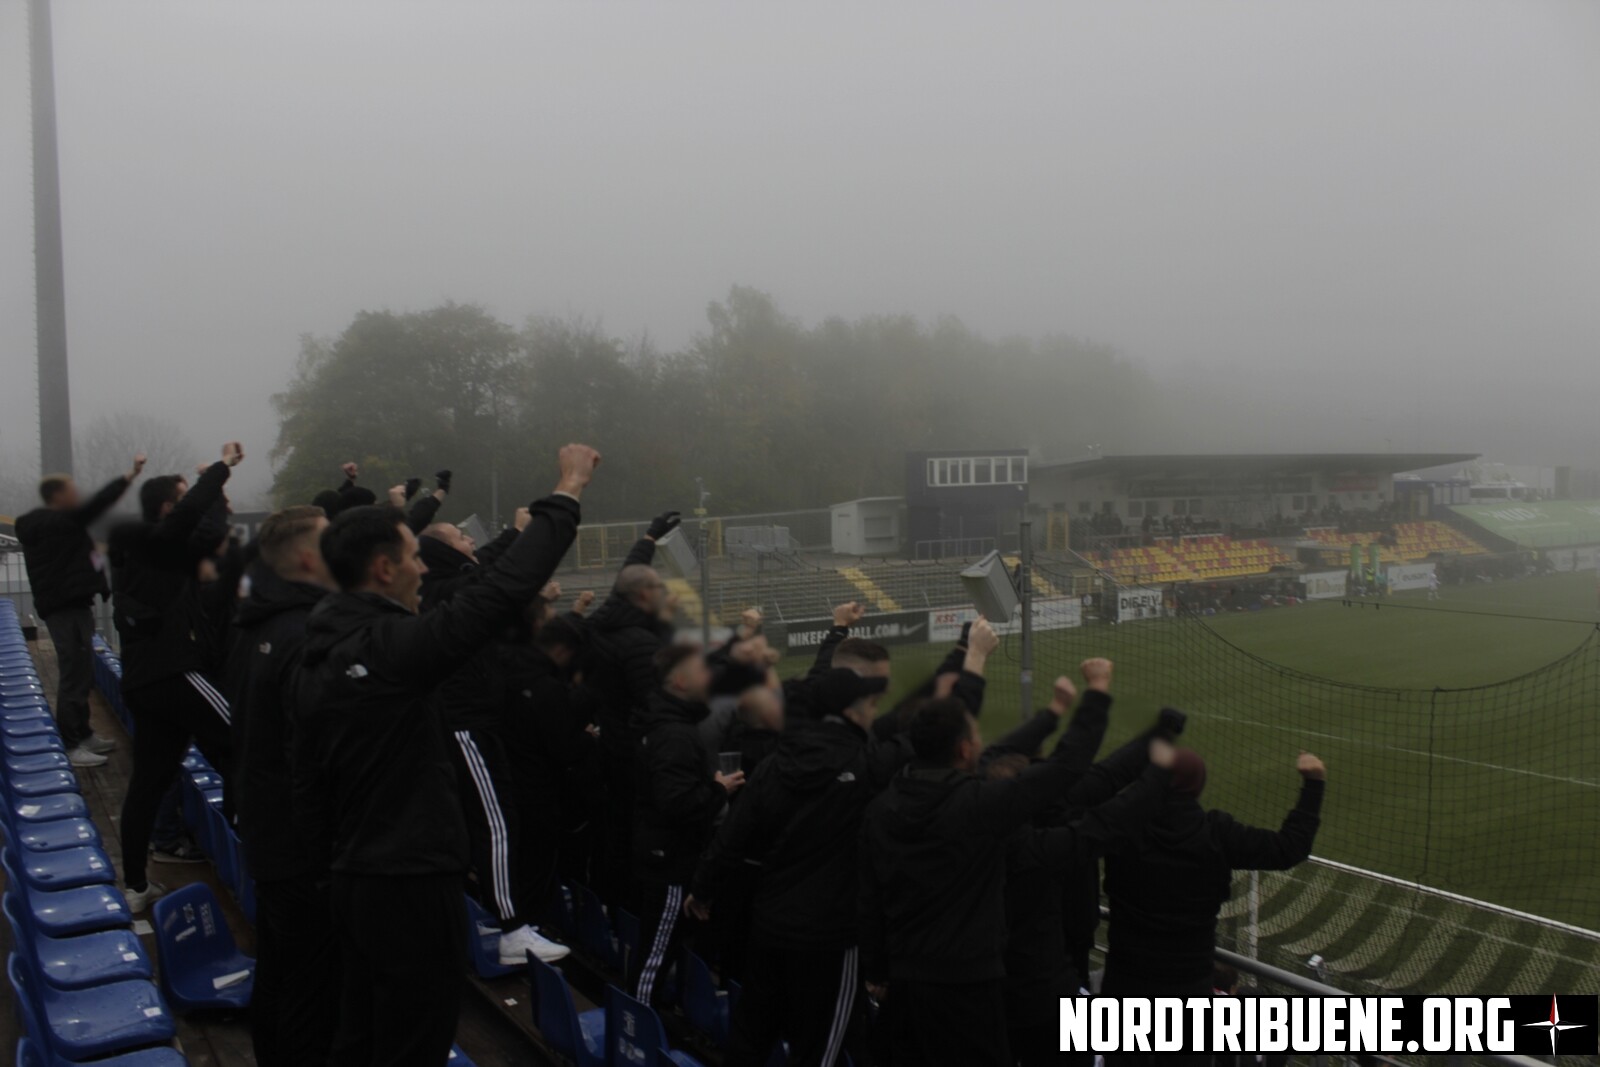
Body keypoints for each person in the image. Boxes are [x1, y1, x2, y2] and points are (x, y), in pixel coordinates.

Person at [291, 444, 597, 1067]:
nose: (423, 570)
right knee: (414, 1039)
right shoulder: (386, 651)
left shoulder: (318, 647)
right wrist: (567, 491)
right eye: (413, 558)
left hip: (354, 877)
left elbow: (306, 781)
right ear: (384, 569)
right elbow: (500, 593)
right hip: (407, 883)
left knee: (361, 1035)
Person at [857, 633, 1117, 1067]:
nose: (982, 742)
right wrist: (1097, 692)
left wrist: (878, 968)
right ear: (964, 749)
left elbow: (870, 897)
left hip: (905, 981)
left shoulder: (881, 808)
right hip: (968, 986)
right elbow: (1066, 766)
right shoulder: (978, 807)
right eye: (975, 735)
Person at [224, 505, 338, 1067]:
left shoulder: (256, 626)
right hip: (298, 845)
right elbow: (308, 754)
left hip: (267, 830)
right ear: (308, 558)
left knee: (279, 970)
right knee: (310, 989)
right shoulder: (305, 633)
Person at [109, 442, 243, 912]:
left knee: (149, 782)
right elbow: (193, 516)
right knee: (248, 737)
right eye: (182, 498)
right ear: (168, 509)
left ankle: (136, 886)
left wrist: (215, 497)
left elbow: (206, 529)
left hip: (144, 682)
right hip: (174, 672)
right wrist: (221, 469)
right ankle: (257, 851)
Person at [1101, 750, 1326, 1005]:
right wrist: (1314, 783)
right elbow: (1289, 848)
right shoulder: (1216, 834)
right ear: (1197, 785)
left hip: (1123, 980)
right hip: (1189, 984)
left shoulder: (1121, 827)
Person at [628, 643, 746, 1007]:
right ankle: (635, 1025)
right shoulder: (675, 734)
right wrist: (718, 789)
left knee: (663, 947)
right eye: (702, 670)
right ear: (680, 681)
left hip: (665, 853)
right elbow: (677, 804)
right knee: (655, 956)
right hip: (669, 861)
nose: (710, 677)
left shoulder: (666, 723)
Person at [15, 452, 145, 765]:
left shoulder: (59, 526)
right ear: (58, 496)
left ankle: (84, 733)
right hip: (64, 609)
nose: (78, 495)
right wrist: (130, 475)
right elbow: (99, 503)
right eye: (72, 490)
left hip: (75, 605)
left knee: (83, 672)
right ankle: (72, 744)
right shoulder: (56, 523)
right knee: (73, 674)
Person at [583, 510, 681, 904]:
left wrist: (650, 537)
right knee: (635, 829)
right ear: (643, 597)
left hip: (612, 738)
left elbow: (627, 577)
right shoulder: (640, 645)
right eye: (658, 589)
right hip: (634, 754)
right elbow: (658, 705)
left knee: (615, 825)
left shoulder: (607, 619)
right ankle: (632, 903)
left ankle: (610, 899)